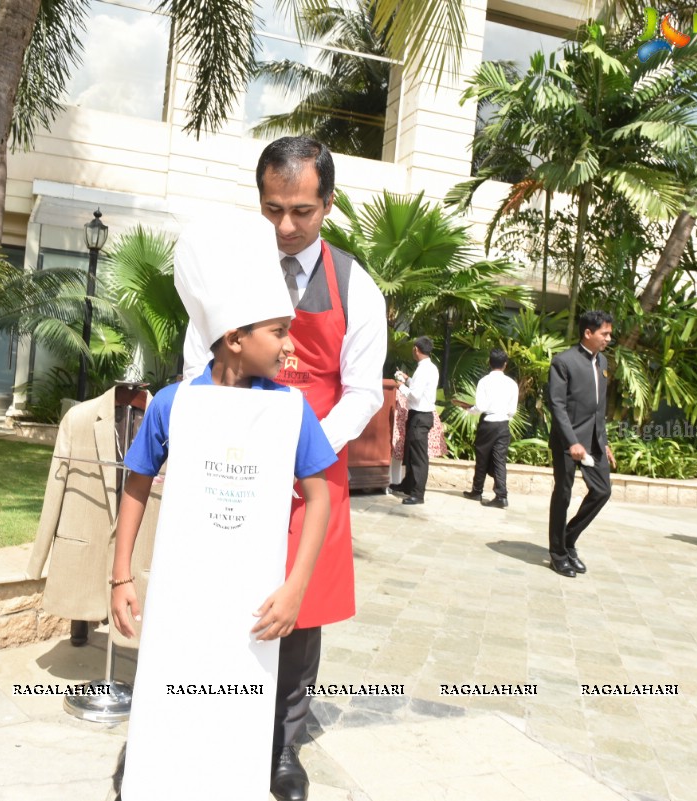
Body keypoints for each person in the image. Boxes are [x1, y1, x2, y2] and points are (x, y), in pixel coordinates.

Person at [183, 136, 386, 801]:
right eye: (272, 209)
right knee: (223, 589)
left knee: (300, 610)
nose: (285, 227)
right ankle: (213, 713)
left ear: (326, 203)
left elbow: (360, 392)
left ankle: (282, 746)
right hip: (231, 455)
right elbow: (196, 364)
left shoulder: (357, 286)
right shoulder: (231, 270)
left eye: (301, 210)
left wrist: (301, 447)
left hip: (311, 467)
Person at [112, 213, 336, 801]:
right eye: (279, 331)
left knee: (239, 699)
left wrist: (296, 588)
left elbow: (319, 497)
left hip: (254, 596)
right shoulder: (173, 403)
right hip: (183, 591)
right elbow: (136, 482)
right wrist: (120, 577)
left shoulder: (291, 410)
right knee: (174, 689)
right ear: (235, 337)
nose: (289, 346)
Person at [547, 310, 616, 578]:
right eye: (604, 333)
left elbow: (599, 409)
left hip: (594, 441)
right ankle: (558, 554)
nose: (608, 338)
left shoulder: (603, 363)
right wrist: (572, 441)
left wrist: (604, 442)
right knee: (563, 496)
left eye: (609, 333)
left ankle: (568, 538)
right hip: (568, 442)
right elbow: (558, 405)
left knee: (602, 491)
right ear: (588, 333)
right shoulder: (563, 362)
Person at [460, 348, 518, 508]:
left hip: (488, 423)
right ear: (505, 365)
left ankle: (477, 490)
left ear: (489, 363)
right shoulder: (512, 384)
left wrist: (469, 410)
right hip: (503, 423)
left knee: (482, 456)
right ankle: (501, 495)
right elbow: (512, 410)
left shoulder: (484, 381)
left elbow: (480, 406)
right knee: (500, 460)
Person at [390, 337, 438, 505]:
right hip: (419, 415)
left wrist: (400, 386)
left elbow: (415, 395)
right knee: (410, 452)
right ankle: (408, 485)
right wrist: (407, 379)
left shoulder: (424, 370)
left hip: (420, 414)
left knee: (418, 456)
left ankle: (418, 493)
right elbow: (419, 387)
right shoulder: (430, 368)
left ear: (416, 349)